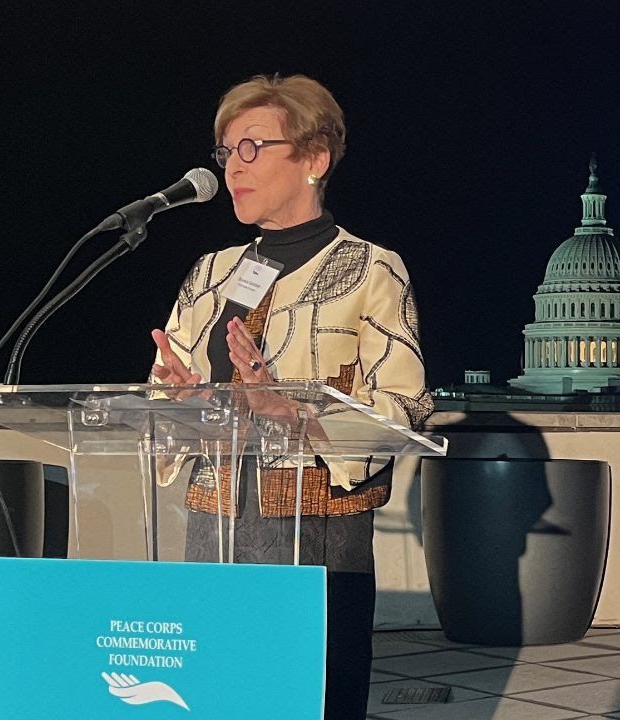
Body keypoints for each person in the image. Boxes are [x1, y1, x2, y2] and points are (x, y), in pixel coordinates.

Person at [147, 74, 431, 720]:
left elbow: (405, 409)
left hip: (316, 546)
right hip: (212, 535)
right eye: (226, 152)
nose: (232, 168)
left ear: (314, 159)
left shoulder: (371, 270)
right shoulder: (211, 273)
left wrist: (296, 415)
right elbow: (159, 402)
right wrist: (181, 400)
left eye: (252, 147)